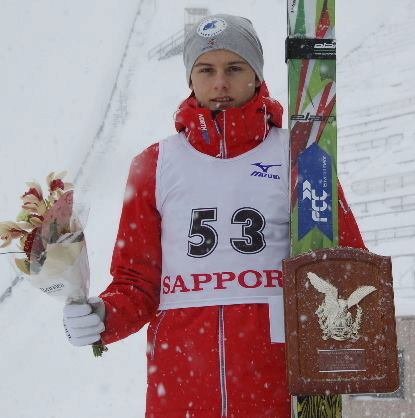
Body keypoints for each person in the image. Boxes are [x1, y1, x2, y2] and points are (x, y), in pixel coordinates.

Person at [63, 14, 365, 418]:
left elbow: (347, 266)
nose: (219, 83)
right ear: (191, 78)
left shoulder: (300, 156)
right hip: (183, 385)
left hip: (277, 386)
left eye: (234, 68)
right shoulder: (154, 165)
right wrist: (105, 316)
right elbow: (138, 282)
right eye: (206, 70)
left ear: (256, 76)